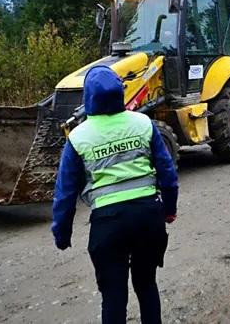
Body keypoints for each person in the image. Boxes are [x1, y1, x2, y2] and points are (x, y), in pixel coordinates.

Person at [51, 66, 178, 324]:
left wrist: (62, 233)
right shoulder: (144, 124)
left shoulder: (78, 137)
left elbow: (65, 193)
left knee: (113, 295)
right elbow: (168, 173)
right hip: (147, 217)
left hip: (108, 224)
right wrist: (169, 209)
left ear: (88, 96)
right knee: (146, 284)